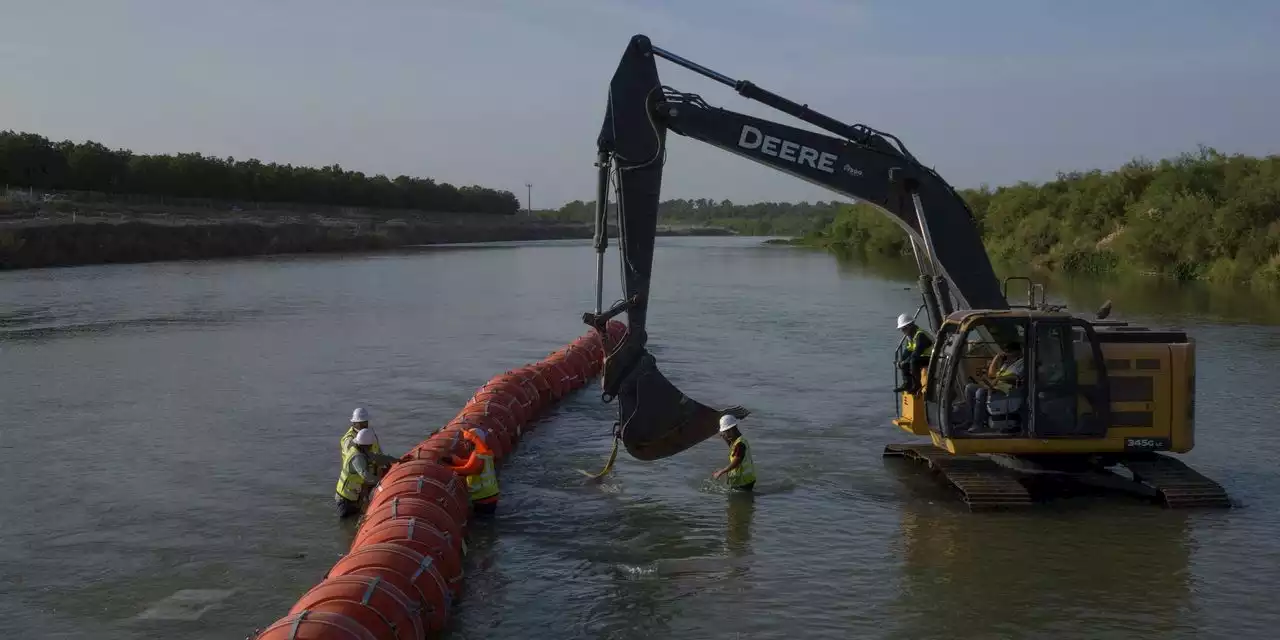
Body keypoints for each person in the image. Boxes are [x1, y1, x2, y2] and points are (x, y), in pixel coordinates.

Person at [334, 428, 400, 518]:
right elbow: (365, 475)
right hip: (345, 499)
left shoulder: (361, 451)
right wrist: (383, 481)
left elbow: (377, 457)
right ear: (366, 445)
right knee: (347, 520)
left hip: (353, 495)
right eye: (370, 445)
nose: (371, 447)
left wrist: (395, 460)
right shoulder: (357, 457)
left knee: (353, 520)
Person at [963, 341, 1026, 433]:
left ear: (1017, 352)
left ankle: (978, 424)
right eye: (1005, 352)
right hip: (995, 387)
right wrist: (996, 358)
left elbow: (1017, 377)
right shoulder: (1006, 364)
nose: (1007, 354)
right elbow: (991, 374)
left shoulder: (1022, 363)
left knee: (980, 392)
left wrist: (999, 378)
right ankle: (969, 420)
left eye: (1009, 352)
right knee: (970, 387)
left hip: (1007, 391)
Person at [444, 427, 501, 515]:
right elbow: (470, 464)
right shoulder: (483, 453)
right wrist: (454, 461)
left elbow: (470, 469)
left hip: (484, 498)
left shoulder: (478, 454)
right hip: (488, 496)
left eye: (466, 441)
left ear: (473, 442)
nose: (464, 443)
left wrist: (446, 469)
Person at [712, 414, 756, 491]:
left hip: (743, 482)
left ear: (731, 430)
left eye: (726, 433)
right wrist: (724, 437)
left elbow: (736, 462)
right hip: (745, 480)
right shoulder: (738, 441)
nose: (725, 435)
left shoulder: (740, 444)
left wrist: (722, 471)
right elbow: (732, 447)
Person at [894, 313, 934, 394]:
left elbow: (917, 352)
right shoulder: (911, 337)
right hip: (922, 357)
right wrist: (901, 361)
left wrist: (905, 362)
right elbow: (908, 351)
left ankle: (917, 385)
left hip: (932, 358)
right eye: (901, 329)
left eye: (904, 329)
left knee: (913, 361)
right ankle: (907, 383)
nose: (902, 331)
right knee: (904, 358)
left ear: (910, 326)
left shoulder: (920, 335)